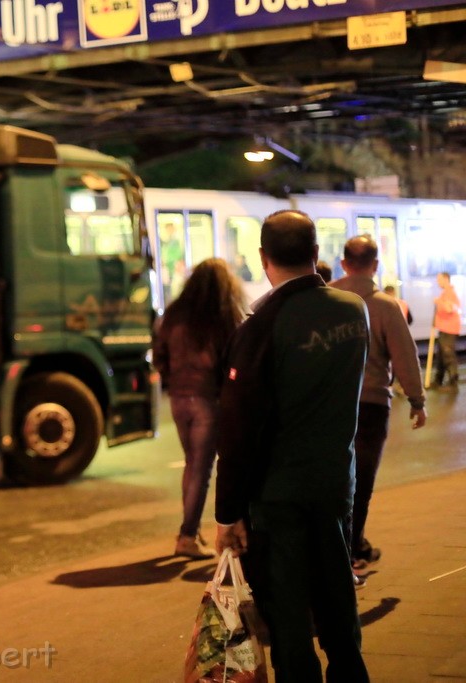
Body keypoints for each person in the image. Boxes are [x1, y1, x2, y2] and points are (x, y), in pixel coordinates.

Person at [214, 210, 370, 683]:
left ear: (263, 258)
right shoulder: (351, 310)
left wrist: (227, 513)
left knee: (288, 619)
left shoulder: (260, 327)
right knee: (337, 601)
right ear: (317, 254)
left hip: (277, 497)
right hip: (333, 484)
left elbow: (239, 429)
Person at [331, 236, 427, 576]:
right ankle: (352, 550)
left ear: (343, 263)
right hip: (371, 405)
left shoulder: (325, 300)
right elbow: (405, 356)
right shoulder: (386, 306)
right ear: (375, 265)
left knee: (333, 480)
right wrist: (417, 401)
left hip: (328, 406)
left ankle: (341, 550)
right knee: (361, 483)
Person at [153, 258, 246, 558]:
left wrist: (171, 380)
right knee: (201, 468)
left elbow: (159, 356)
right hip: (209, 398)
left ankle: (190, 533)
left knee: (193, 464)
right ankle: (187, 536)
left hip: (180, 397)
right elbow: (234, 361)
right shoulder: (224, 316)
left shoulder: (175, 315)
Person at [432, 271, 461, 391]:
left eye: (439, 279)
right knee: (441, 357)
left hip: (449, 329)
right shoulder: (445, 293)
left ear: (446, 279)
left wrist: (438, 302)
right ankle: (438, 380)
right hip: (444, 328)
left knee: (448, 356)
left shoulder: (449, 293)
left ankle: (453, 382)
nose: (437, 282)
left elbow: (450, 308)